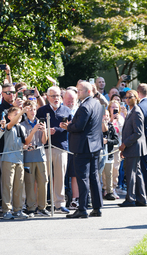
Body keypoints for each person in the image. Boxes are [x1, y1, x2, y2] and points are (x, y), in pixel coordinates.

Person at [61, 81, 104, 218]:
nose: (77, 92)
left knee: (83, 178)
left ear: (88, 91)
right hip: (95, 146)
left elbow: (79, 127)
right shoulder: (97, 103)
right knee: (94, 177)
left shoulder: (85, 106)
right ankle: (97, 208)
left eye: (80, 90)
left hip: (83, 147)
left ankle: (83, 208)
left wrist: (68, 127)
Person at [36, 86, 72, 214]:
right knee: (43, 177)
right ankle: (41, 205)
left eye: (57, 96)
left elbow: (71, 127)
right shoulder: (41, 111)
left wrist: (56, 130)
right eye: (53, 96)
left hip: (61, 147)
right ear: (47, 97)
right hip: (45, 147)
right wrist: (45, 131)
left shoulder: (67, 110)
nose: (56, 98)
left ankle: (59, 204)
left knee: (60, 177)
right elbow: (37, 125)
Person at [118, 90, 147, 207]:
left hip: (134, 147)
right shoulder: (130, 111)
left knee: (131, 173)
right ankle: (141, 199)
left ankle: (130, 199)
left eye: (130, 97)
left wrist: (124, 144)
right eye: (126, 98)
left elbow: (138, 133)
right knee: (137, 173)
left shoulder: (136, 111)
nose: (127, 99)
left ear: (136, 98)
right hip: (132, 147)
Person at [21, 100, 50, 217]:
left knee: (43, 182)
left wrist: (44, 132)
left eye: (34, 109)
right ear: (25, 111)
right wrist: (33, 131)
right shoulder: (22, 124)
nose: (32, 112)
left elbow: (44, 141)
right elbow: (26, 141)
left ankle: (42, 207)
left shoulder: (41, 122)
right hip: (28, 157)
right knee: (29, 183)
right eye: (29, 110)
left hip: (41, 156)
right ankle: (31, 207)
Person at [1, 106, 30, 220]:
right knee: (7, 186)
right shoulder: (8, 126)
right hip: (8, 159)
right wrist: (22, 111)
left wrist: (34, 131)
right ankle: (6, 210)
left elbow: (24, 143)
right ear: (9, 117)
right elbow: (11, 124)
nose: (20, 115)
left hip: (20, 160)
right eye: (16, 114)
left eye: (21, 114)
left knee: (19, 186)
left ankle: (18, 209)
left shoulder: (21, 128)